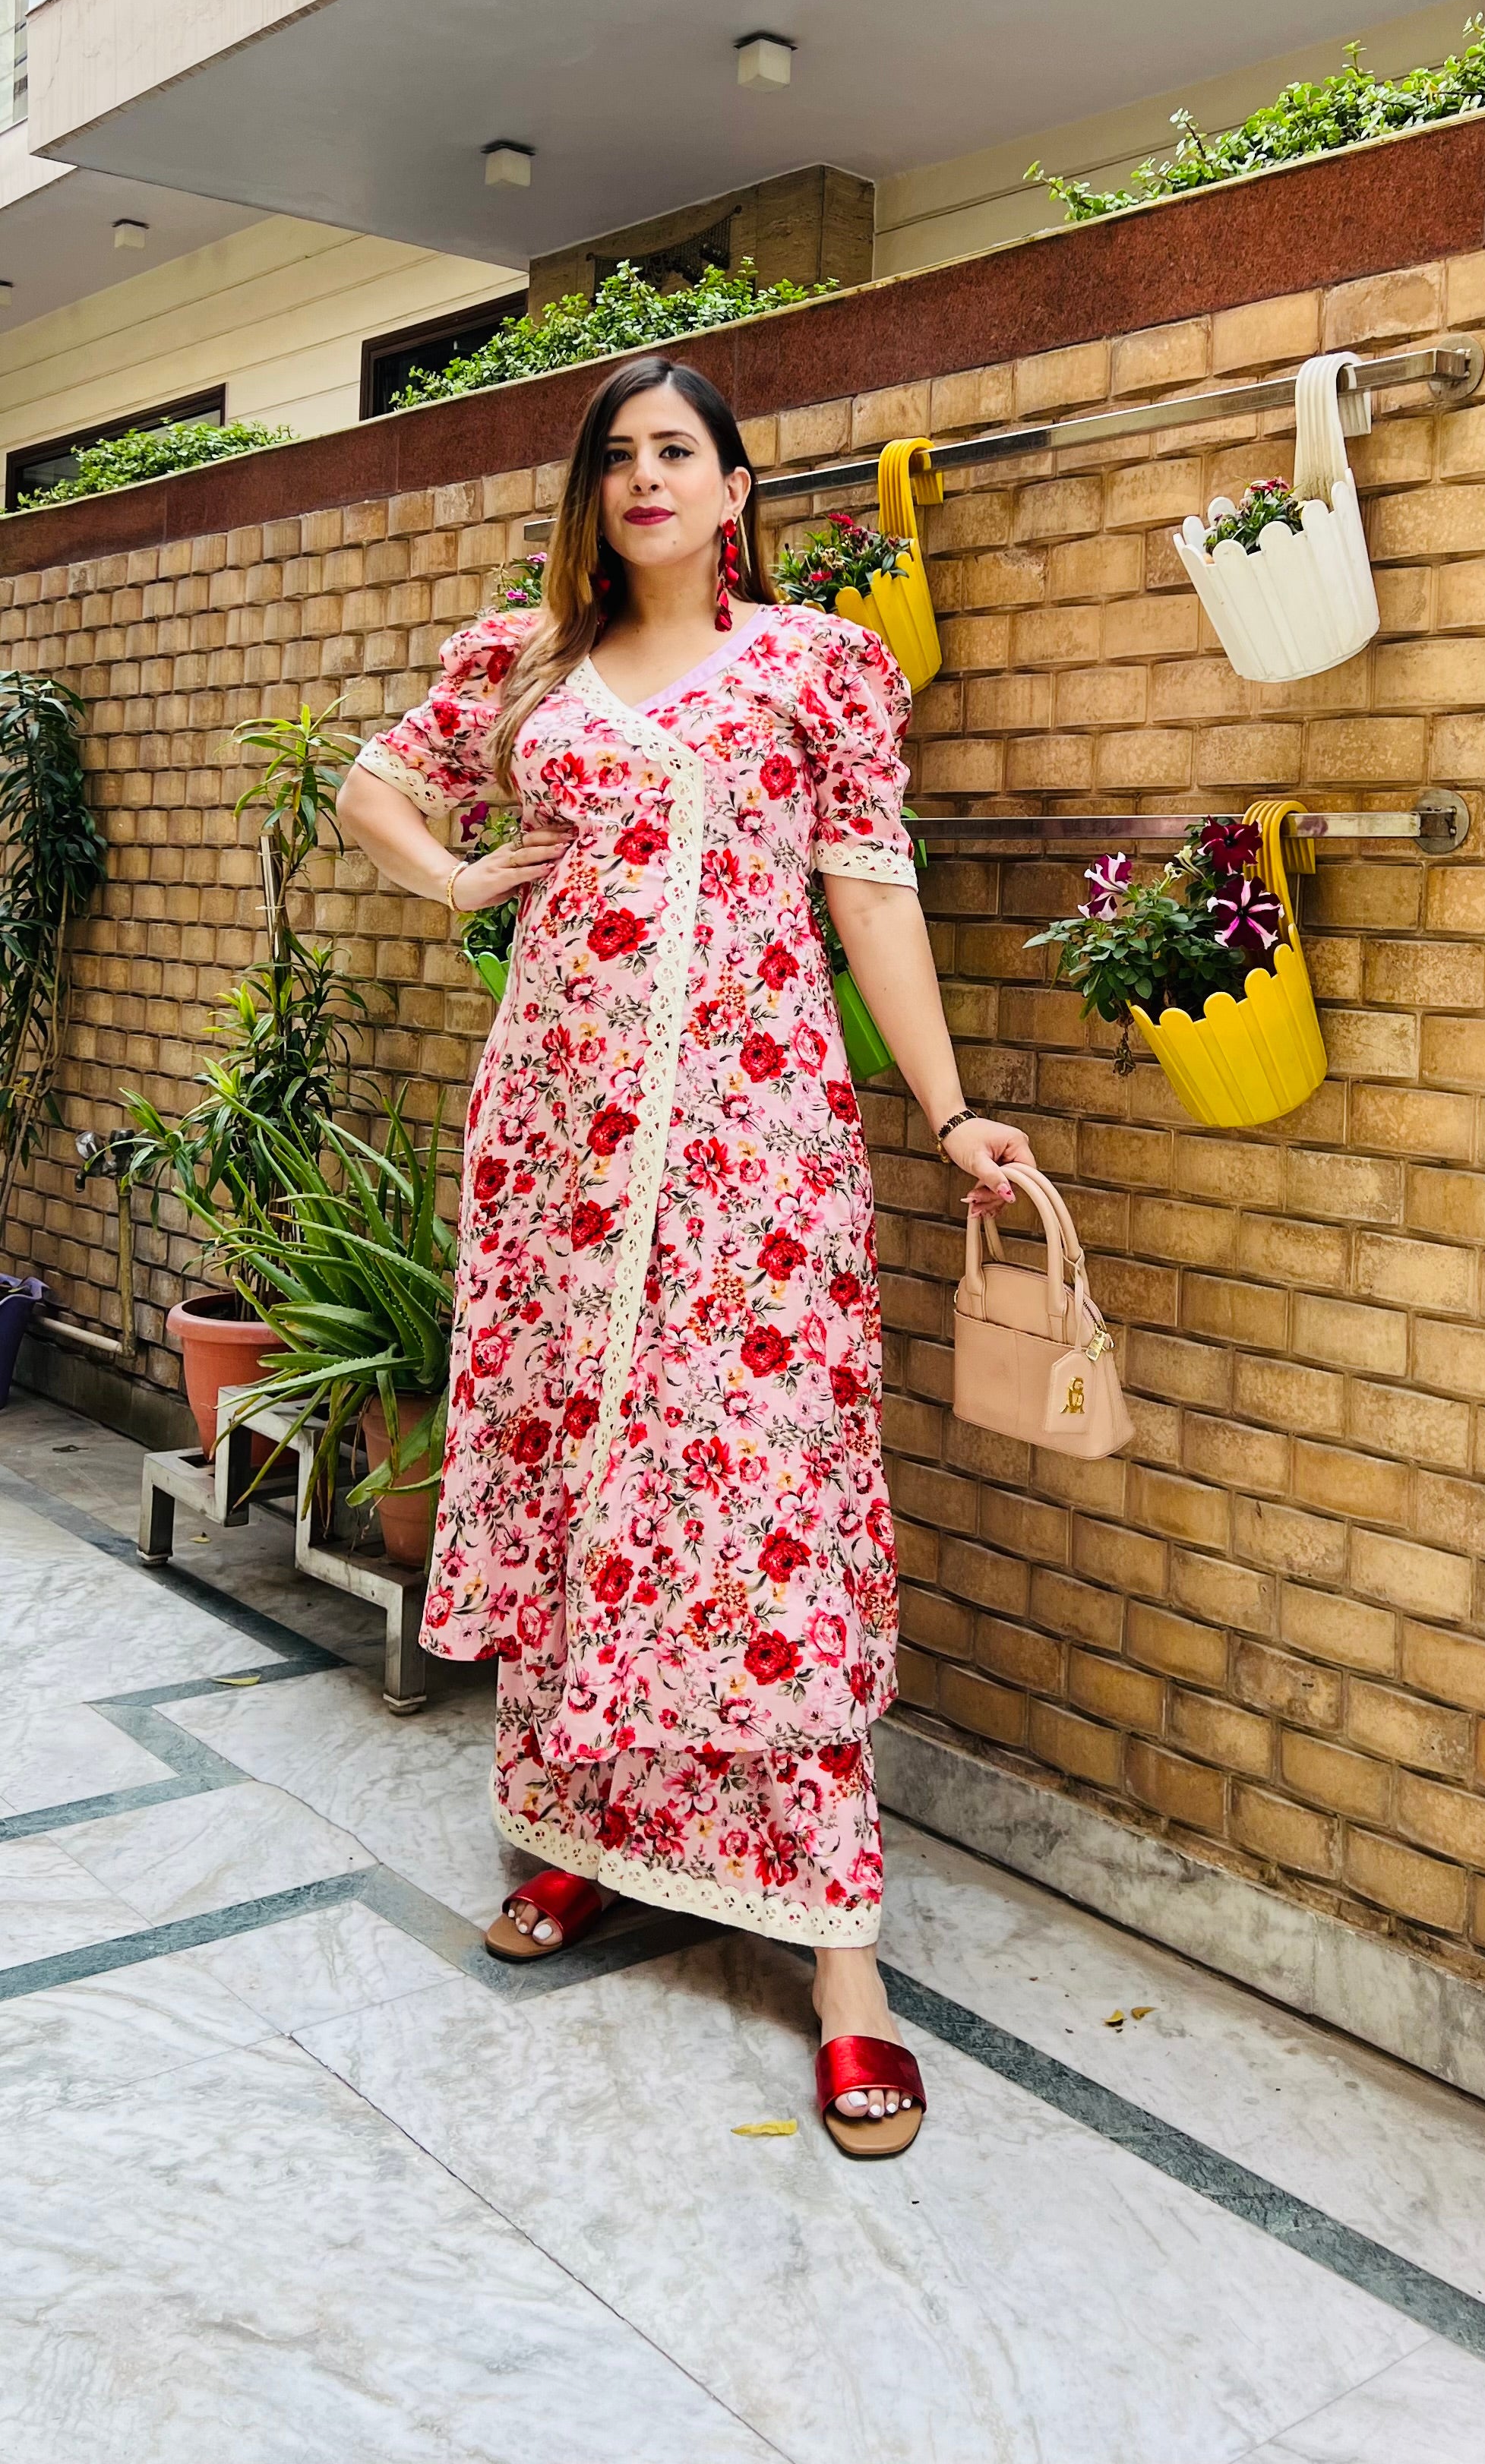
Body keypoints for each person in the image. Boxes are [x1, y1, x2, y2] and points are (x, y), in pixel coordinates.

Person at [340, 355, 1032, 2158]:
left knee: (760, 1499)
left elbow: (871, 892)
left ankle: (843, 1959)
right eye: (616, 455)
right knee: (583, 1478)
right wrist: (459, 882)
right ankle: (583, 1834)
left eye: (677, 451)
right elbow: (372, 791)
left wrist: (954, 1113)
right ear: (592, 495)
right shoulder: (522, 662)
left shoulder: (819, 664)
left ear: (736, 491)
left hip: (754, 1152)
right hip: (557, 1148)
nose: (644, 476)